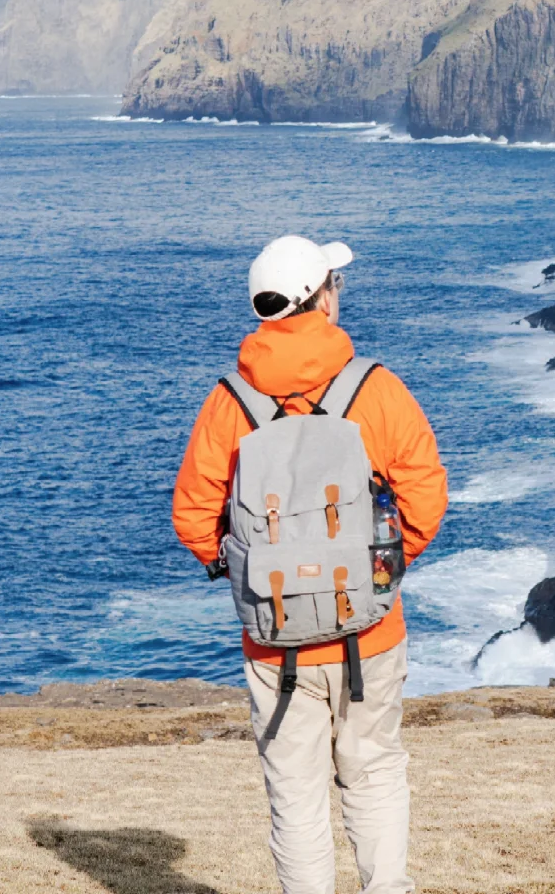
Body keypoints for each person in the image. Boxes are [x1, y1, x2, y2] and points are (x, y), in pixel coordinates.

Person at [173, 235, 448, 894]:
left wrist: (249, 579)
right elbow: (425, 499)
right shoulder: (374, 389)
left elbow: (193, 518)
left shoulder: (229, 405)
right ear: (321, 299)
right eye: (335, 283)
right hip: (370, 630)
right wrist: (378, 577)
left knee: (295, 799)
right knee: (374, 771)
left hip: (274, 642)